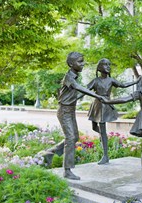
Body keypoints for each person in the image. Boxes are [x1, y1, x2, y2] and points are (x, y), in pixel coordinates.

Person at [40, 52, 106, 180]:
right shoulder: (69, 77)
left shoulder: (74, 76)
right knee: (70, 138)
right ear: (71, 64)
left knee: (74, 137)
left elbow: (75, 93)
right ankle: (67, 170)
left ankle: (50, 153)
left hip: (70, 110)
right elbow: (78, 88)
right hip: (64, 111)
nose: (83, 64)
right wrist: (97, 96)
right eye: (80, 62)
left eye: (83, 61)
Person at [86, 58, 138, 164]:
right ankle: (103, 140)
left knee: (103, 129)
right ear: (100, 68)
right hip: (97, 105)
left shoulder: (111, 80)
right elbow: (85, 90)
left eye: (109, 64)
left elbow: (123, 85)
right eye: (106, 64)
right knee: (96, 128)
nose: (108, 66)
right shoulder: (96, 81)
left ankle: (105, 155)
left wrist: (137, 81)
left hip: (106, 105)